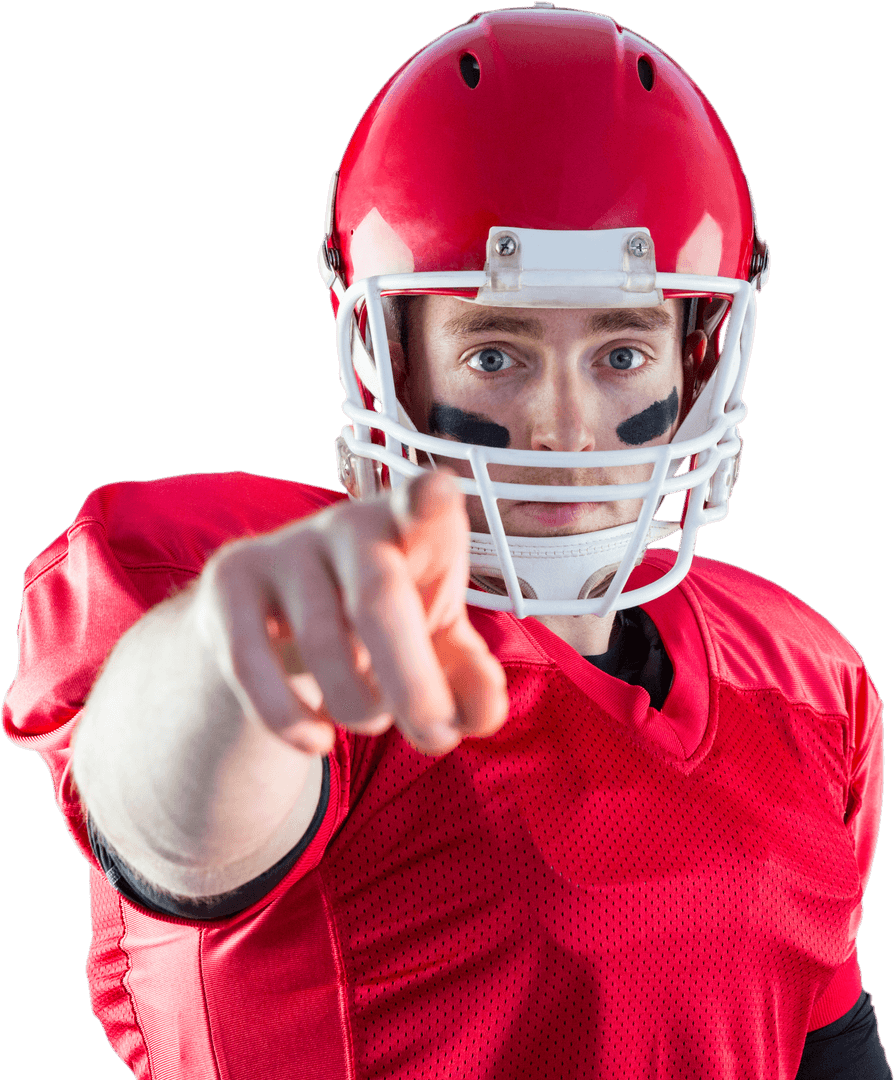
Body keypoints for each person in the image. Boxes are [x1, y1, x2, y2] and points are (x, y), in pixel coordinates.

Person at [2, 5, 889, 1078]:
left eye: (618, 352)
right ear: (395, 361)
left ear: (694, 363)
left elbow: (822, 1037)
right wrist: (231, 666)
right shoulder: (336, 645)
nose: (563, 421)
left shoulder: (800, 684)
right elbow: (173, 824)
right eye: (495, 354)